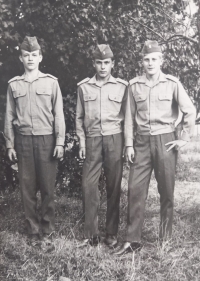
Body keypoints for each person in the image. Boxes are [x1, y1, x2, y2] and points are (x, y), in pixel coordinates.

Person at [115, 40, 196, 255]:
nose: (150, 63)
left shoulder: (172, 83)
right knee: (135, 189)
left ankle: (165, 239)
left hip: (165, 142)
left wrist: (183, 138)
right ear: (142, 61)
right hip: (141, 143)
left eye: (154, 59)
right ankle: (133, 240)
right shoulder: (134, 86)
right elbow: (129, 119)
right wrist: (129, 145)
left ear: (161, 60)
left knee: (166, 191)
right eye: (146, 59)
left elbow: (190, 110)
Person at [4, 36, 65, 243]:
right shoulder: (14, 85)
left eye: (34, 55)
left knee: (48, 187)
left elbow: (59, 114)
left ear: (40, 57)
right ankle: (32, 229)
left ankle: (47, 230)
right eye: (26, 55)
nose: (30, 59)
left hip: (46, 141)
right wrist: (10, 144)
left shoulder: (51, 82)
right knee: (27, 187)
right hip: (23, 142)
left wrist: (60, 142)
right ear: (21, 58)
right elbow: (9, 116)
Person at [76, 44, 128, 247]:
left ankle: (111, 233)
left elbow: (128, 119)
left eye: (107, 62)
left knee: (114, 187)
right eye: (99, 62)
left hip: (115, 139)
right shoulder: (84, 87)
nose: (103, 66)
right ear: (94, 64)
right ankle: (91, 234)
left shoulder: (122, 87)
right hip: (92, 140)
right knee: (88, 185)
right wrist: (81, 141)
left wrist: (127, 144)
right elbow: (79, 118)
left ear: (112, 64)